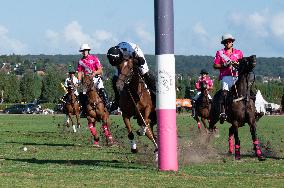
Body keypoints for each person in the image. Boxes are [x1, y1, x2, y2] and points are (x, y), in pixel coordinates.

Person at [107, 42, 156, 111]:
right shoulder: (116, 54)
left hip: (136, 55)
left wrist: (136, 62)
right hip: (124, 56)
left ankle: (155, 95)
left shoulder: (131, 52)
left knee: (145, 73)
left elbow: (142, 62)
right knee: (115, 79)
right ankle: (117, 100)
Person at [213, 34, 243, 123]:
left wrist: (237, 65)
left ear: (232, 42)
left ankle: (254, 110)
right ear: (223, 43)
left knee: (246, 90)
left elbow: (242, 64)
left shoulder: (239, 52)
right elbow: (215, 65)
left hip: (237, 76)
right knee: (224, 94)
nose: (227, 43)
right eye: (225, 42)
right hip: (226, 77)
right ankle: (223, 113)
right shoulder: (220, 53)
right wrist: (224, 65)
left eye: (229, 41)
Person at [77, 43, 111, 113]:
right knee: (81, 94)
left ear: (88, 50)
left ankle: (107, 105)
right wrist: (79, 81)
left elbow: (100, 70)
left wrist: (94, 73)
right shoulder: (80, 61)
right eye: (82, 51)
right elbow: (79, 72)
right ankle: (84, 110)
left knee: (101, 89)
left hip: (96, 78)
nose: (83, 52)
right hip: (86, 81)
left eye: (85, 50)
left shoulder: (94, 58)